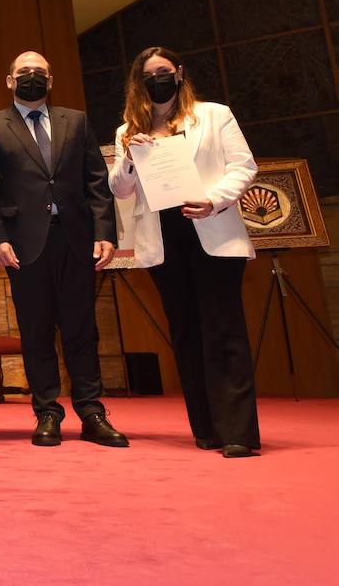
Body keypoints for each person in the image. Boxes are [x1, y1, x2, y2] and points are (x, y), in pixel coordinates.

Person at [108, 46, 260, 458]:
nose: (156, 79)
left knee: (223, 329)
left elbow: (244, 167)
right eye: (147, 74)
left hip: (212, 230)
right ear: (138, 84)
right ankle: (206, 428)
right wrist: (130, 159)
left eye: (163, 71)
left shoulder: (213, 115)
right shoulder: (128, 130)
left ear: (179, 73)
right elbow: (119, 189)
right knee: (186, 333)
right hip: (164, 240)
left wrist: (213, 200)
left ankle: (239, 432)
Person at [0, 51, 127, 448]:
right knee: (36, 332)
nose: (32, 77)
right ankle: (47, 412)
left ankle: (92, 412)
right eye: (24, 73)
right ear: (9, 80)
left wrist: (106, 232)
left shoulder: (75, 120)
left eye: (40, 73)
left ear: (51, 79)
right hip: (23, 245)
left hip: (76, 240)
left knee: (82, 330)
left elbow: (95, 181)